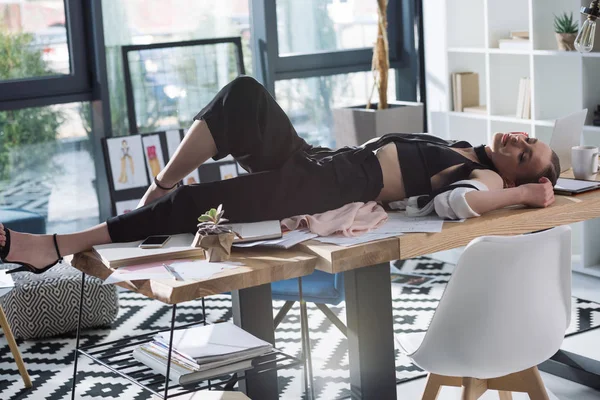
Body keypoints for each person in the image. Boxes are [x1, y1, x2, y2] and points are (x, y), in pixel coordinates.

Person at [0, 76, 559, 274]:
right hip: (324, 160)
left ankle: (53, 245)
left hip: (332, 184)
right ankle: (160, 185)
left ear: (513, 179)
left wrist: (531, 194)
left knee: (204, 204)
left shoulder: (485, 180)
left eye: (524, 157)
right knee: (243, 96)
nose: (519, 142)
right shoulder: (465, 145)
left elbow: (452, 208)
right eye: (528, 140)